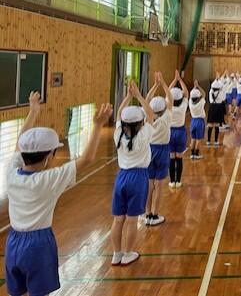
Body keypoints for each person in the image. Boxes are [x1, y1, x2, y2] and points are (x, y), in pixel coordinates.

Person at [4, 92, 111, 296]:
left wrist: (33, 112)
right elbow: (87, 159)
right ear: (49, 156)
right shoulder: (49, 180)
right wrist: (98, 125)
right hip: (38, 246)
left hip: (13, 242)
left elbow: (20, 143)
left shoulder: (11, 173)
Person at [111, 81, 155, 266]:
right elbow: (151, 115)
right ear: (140, 122)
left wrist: (128, 97)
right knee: (131, 219)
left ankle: (116, 254)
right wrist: (138, 96)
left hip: (121, 177)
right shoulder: (143, 135)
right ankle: (128, 253)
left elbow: (119, 115)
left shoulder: (118, 134)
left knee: (118, 219)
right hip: (138, 178)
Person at [144, 71, 173, 226]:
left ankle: (147, 214)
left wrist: (155, 85)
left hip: (149, 150)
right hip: (162, 150)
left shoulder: (147, 118)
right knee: (159, 185)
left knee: (149, 184)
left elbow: (147, 99)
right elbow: (171, 99)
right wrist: (163, 84)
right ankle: (155, 214)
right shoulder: (167, 117)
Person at [168, 70, 189, 188]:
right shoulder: (183, 106)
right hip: (180, 132)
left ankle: (172, 182)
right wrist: (180, 79)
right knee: (179, 157)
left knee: (172, 157)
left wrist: (174, 80)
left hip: (170, 132)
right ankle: (178, 181)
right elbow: (186, 93)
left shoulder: (168, 106)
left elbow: (167, 92)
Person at [188, 80, 206, 160]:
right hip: (200, 121)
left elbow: (191, 95)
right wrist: (198, 86)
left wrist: (194, 87)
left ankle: (192, 154)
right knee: (198, 139)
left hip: (193, 121)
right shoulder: (201, 102)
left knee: (193, 138)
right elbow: (204, 94)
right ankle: (196, 154)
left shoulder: (190, 103)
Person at [207, 78, 227, 147]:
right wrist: (219, 82)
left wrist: (216, 80)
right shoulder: (221, 92)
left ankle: (208, 141)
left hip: (212, 107)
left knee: (210, 125)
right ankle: (216, 141)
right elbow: (224, 98)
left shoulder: (210, 92)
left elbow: (213, 87)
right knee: (217, 125)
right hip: (218, 108)